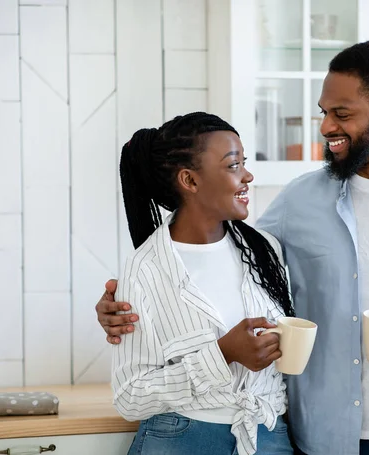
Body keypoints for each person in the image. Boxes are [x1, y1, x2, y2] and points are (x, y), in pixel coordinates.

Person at [97, 41, 369, 455]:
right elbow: (227, 264)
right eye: (324, 112)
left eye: (341, 114)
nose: (326, 127)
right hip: (323, 439)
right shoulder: (299, 201)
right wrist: (128, 306)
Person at [110, 112, 295, 455]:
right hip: (182, 440)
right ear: (190, 181)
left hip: (269, 437)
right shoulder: (145, 269)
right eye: (233, 165)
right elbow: (129, 397)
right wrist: (222, 354)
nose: (248, 175)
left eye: (244, 163)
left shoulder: (264, 251)